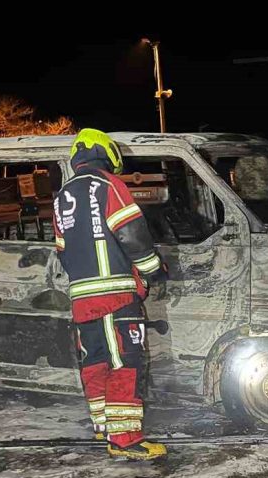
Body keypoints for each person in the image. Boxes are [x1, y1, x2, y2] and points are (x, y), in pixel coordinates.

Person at [53, 129, 167, 460]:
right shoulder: (108, 185)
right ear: (107, 154)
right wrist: (151, 269)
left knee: (97, 363)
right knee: (125, 363)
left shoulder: (62, 196)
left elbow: (62, 251)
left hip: (82, 301)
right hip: (115, 298)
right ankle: (126, 440)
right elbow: (132, 234)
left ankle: (107, 430)